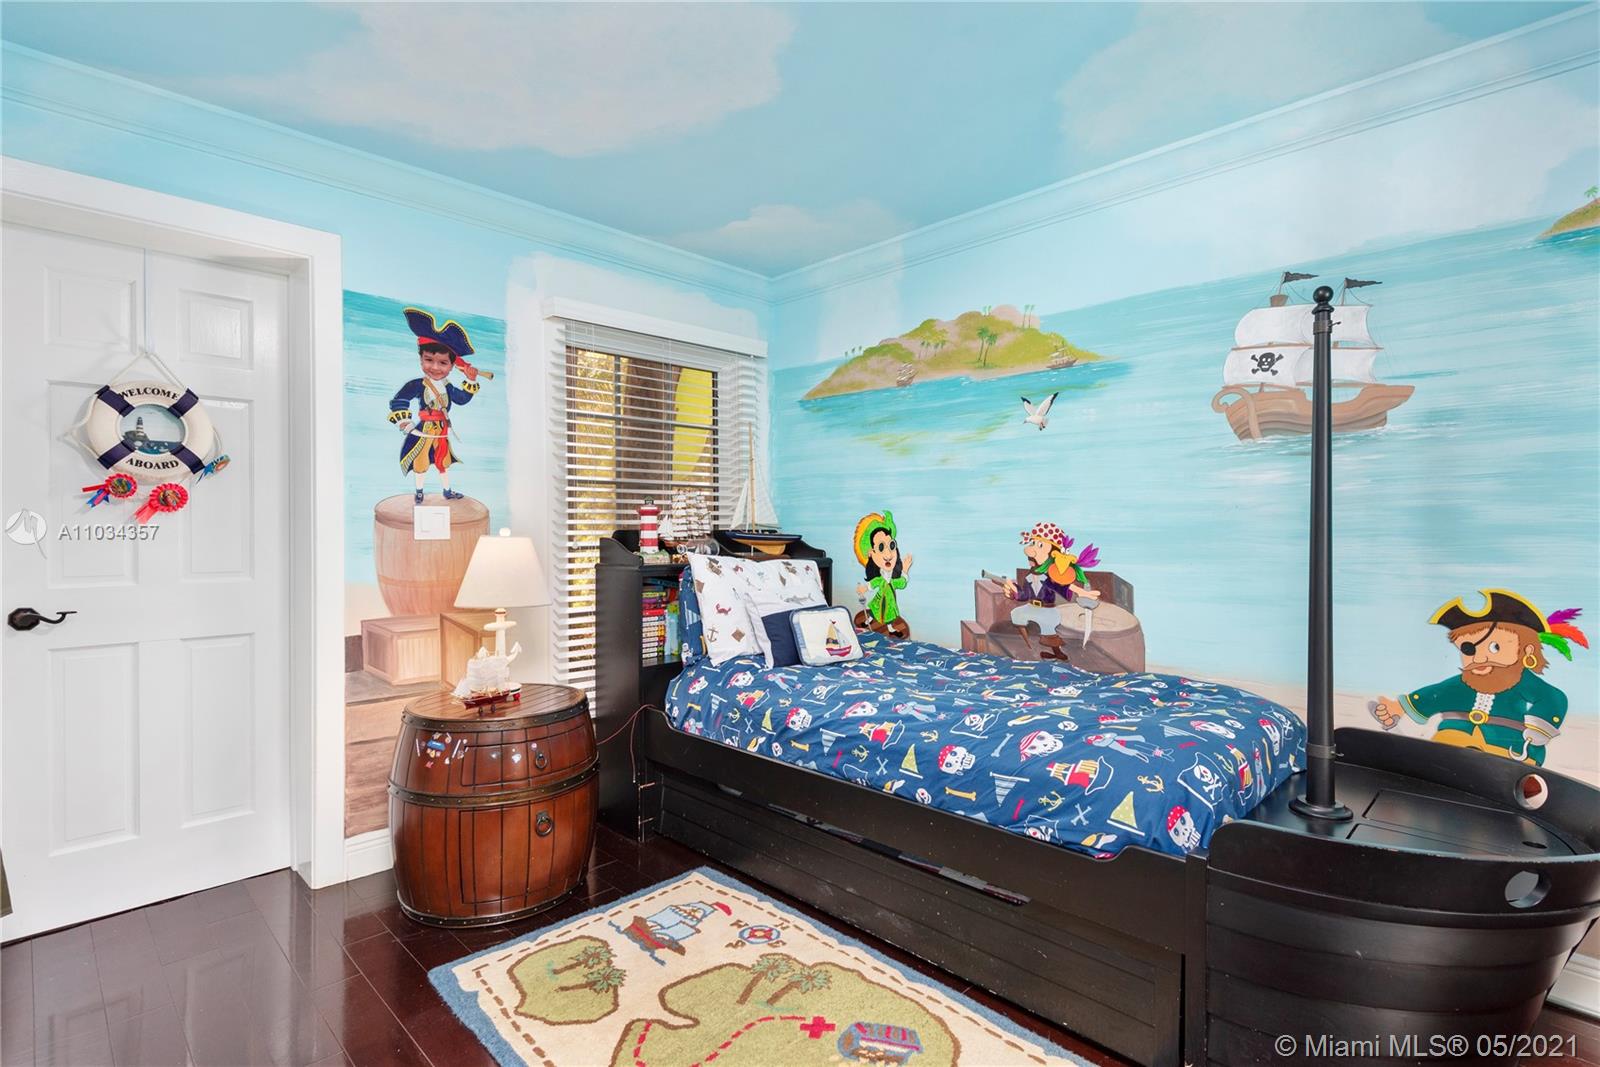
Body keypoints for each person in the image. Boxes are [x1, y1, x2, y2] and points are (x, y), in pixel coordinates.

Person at [1370, 590, 1586, 766]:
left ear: (1526, 649)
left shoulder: (1523, 681)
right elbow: (1434, 695)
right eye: (1468, 649)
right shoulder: (1461, 683)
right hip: (1453, 743)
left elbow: (1552, 698)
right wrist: (1398, 707)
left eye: (1495, 647)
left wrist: (1539, 728)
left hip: (1506, 748)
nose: (1479, 657)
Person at [388, 307, 484, 504]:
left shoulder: (448, 387)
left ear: (451, 366)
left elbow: (462, 399)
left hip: (442, 430)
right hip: (424, 430)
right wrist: (406, 423)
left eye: (443, 363)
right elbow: (399, 401)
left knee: (443, 461)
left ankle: (447, 490)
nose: (435, 367)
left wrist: (471, 380)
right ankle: (419, 491)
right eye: (429, 360)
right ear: (421, 359)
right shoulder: (417, 384)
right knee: (421, 460)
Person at [1002, 521, 1101, 661]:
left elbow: (1063, 586)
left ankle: (1058, 653)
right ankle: (1030, 647)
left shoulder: (1050, 576)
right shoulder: (1030, 576)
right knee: (1016, 614)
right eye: (1033, 543)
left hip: (1047, 609)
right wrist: (1013, 592)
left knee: (1048, 630)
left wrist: (1081, 592)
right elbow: (1024, 595)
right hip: (1031, 606)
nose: (1031, 549)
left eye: (1040, 545)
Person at [853, 510, 912, 638]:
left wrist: (905, 570)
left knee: (890, 615)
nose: (888, 554)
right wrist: (863, 589)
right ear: (871, 553)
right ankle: (868, 621)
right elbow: (872, 584)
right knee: (875, 610)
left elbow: (902, 583)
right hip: (879, 600)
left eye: (891, 545)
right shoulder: (880, 579)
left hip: (890, 602)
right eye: (881, 547)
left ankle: (890, 628)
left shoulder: (893, 580)